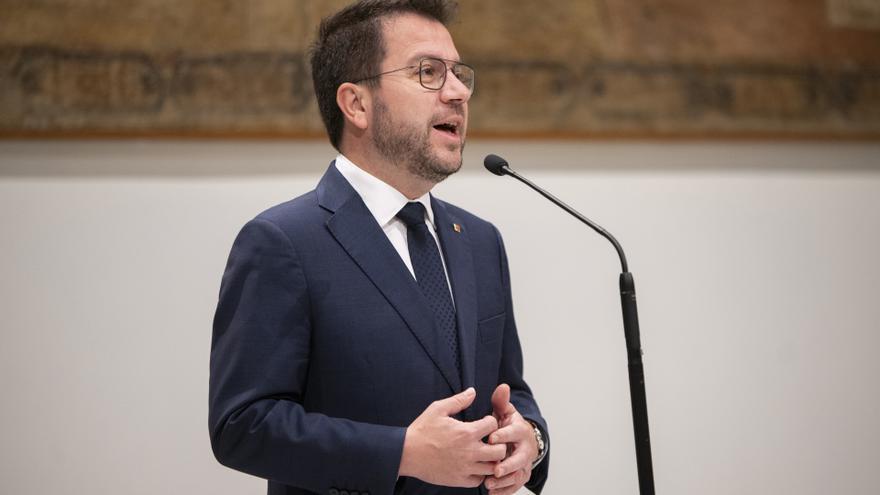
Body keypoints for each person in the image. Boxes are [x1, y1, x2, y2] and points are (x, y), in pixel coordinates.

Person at [208, 1, 549, 494]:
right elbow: (241, 425)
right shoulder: (284, 242)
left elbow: (509, 389)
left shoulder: (479, 241)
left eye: (459, 74)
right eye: (428, 72)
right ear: (356, 104)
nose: (457, 93)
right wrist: (401, 453)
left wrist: (530, 439)